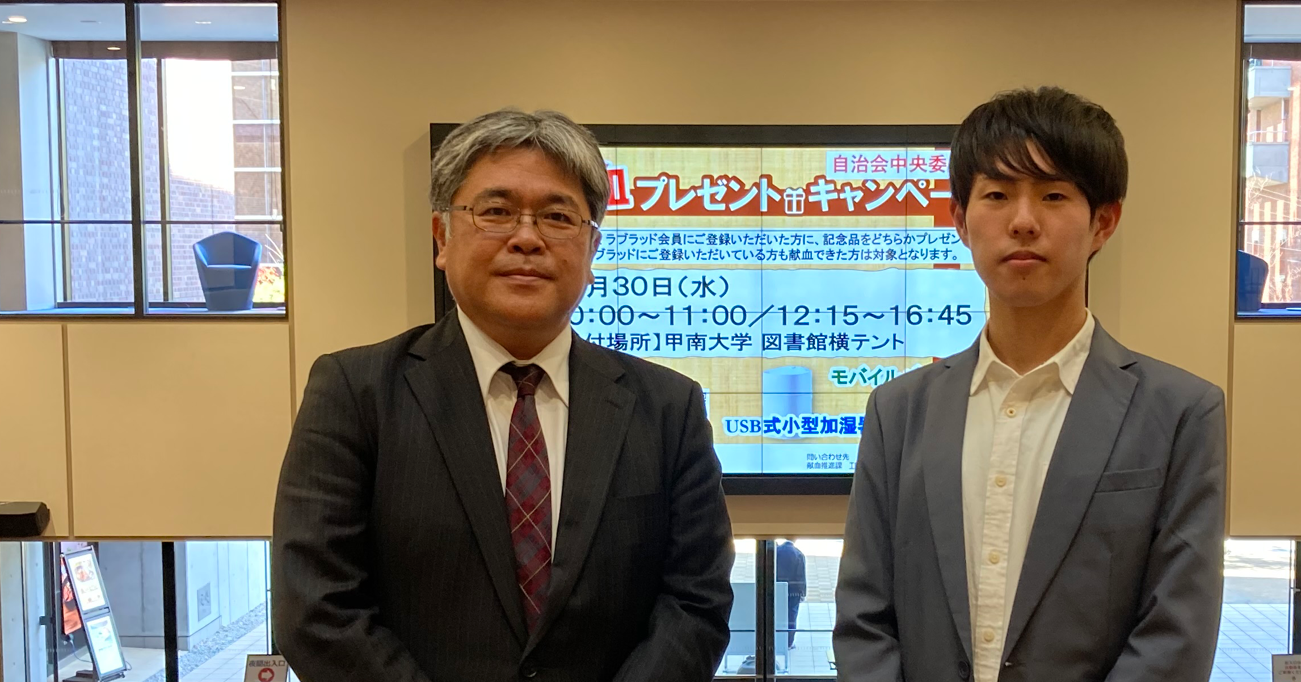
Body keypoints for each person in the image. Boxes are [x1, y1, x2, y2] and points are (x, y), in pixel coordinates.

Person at [272, 108, 734, 682]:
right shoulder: (355, 392)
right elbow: (316, 608)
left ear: (592, 248)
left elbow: (696, 602)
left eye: (558, 217)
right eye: (495, 212)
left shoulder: (669, 407)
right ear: (442, 236)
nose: (527, 238)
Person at [832, 87, 1226, 682]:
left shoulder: (1180, 413)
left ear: (1103, 222)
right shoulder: (899, 410)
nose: (1022, 221)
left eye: (1053, 195)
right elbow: (864, 616)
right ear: (960, 221)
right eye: (996, 194)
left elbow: (1177, 634)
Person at [775, 540, 808, 649]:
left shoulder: (776, 551)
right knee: (791, 616)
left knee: (776, 614)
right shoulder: (798, 554)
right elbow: (801, 576)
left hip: (778, 589)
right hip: (793, 592)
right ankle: (789, 642)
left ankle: (775, 639)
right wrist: (802, 592)